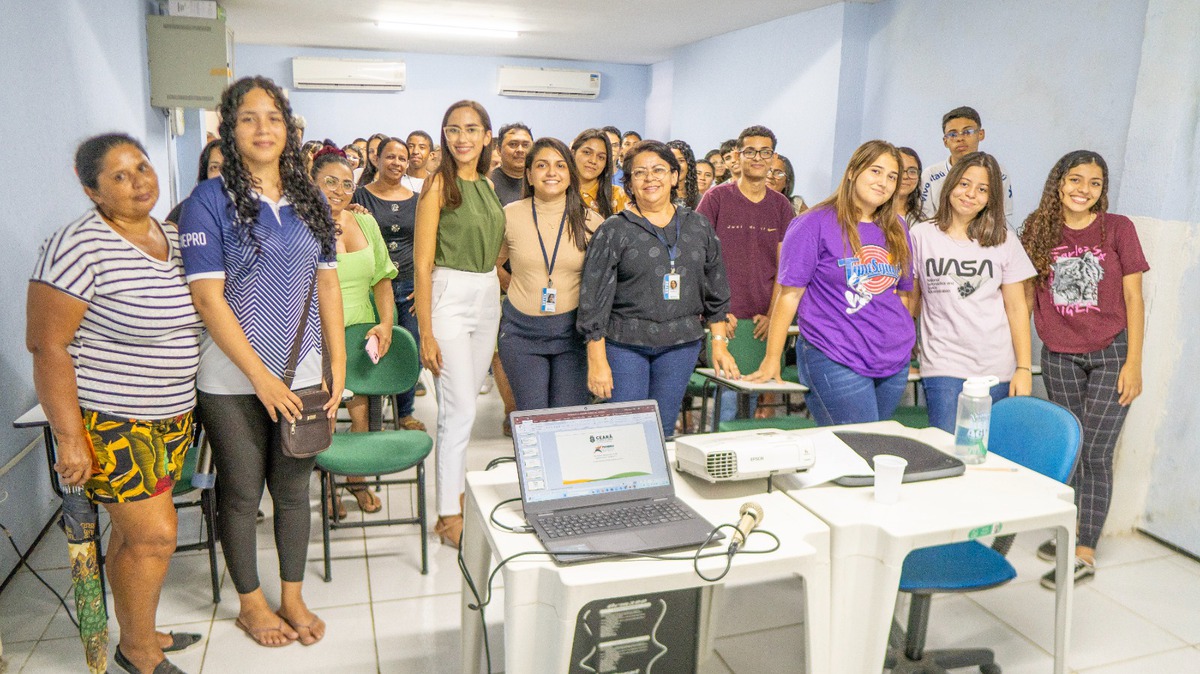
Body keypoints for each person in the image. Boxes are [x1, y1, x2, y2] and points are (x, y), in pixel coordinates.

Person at [179, 76, 345, 648]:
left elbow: (327, 284)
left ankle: (292, 597)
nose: (262, 129)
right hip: (230, 380)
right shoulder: (208, 200)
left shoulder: (311, 198)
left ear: (289, 127)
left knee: (295, 489)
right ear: (230, 128)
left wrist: (338, 363)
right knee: (243, 492)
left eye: (272, 117)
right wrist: (260, 378)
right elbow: (208, 298)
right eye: (248, 118)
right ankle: (251, 604)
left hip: (300, 372)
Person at [28, 134, 203, 674]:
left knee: (133, 537)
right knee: (155, 536)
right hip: (112, 420)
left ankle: (138, 630)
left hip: (172, 417)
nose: (139, 182)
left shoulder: (173, 235)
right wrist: (68, 436)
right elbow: (46, 345)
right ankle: (139, 652)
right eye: (120, 176)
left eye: (143, 168)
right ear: (91, 190)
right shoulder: (78, 245)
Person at [1021, 150, 1148, 589]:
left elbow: (1134, 298)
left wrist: (1134, 362)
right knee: (1071, 448)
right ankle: (1069, 530)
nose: (1083, 190)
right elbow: (1021, 293)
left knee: (1095, 452)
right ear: (1059, 182)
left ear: (1103, 189)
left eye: (1094, 183)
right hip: (1058, 354)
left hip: (1112, 352)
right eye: (1075, 179)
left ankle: (1084, 551)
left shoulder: (1118, 228)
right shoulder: (1038, 228)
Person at [746, 140, 915, 426]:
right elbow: (789, 296)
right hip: (835, 353)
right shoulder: (814, 223)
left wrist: (900, 337)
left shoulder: (897, 228)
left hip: (892, 360)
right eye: (875, 171)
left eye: (892, 176)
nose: (883, 182)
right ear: (852, 171)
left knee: (873, 446)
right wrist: (772, 358)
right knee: (858, 446)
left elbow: (903, 293)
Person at [578, 140, 737, 438]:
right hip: (624, 344)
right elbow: (593, 299)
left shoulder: (698, 227)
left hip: (681, 344)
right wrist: (597, 360)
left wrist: (719, 344)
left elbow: (716, 286)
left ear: (675, 176)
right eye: (639, 173)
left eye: (659, 170)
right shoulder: (614, 230)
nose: (650, 178)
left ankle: (657, 486)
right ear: (629, 183)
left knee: (661, 431)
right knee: (626, 431)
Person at [413, 100, 505, 548]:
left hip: (487, 294)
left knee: (466, 403)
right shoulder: (437, 184)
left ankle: (455, 496)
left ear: (488, 136)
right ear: (444, 136)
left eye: (472, 129)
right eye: (453, 130)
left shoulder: (487, 186)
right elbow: (422, 260)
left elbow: (496, 247)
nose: (462, 138)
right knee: (459, 409)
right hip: (448, 294)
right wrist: (426, 331)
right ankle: (448, 513)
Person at [909, 152, 1035, 433]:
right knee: (947, 449)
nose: (970, 194)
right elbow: (912, 301)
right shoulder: (920, 236)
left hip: (997, 367)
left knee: (986, 455)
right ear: (951, 184)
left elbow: (1016, 308)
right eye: (964, 184)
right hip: (943, 364)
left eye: (982, 189)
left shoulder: (1003, 239)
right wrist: (903, 352)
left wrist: (1024, 369)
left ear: (991, 198)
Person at [312, 148, 399, 516]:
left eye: (347, 183)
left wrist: (386, 322)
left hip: (363, 332)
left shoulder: (365, 222)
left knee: (362, 411)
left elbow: (382, 278)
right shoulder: (301, 223)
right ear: (311, 182)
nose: (339, 190)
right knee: (326, 412)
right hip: (317, 335)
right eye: (329, 181)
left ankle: (357, 479)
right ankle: (328, 483)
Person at [697, 126, 795, 425]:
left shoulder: (781, 207)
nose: (757, 158)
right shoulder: (716, 199)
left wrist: (772, 314)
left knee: (751, 396)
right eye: (750, 151)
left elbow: (785, 269)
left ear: (772, 157)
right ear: (737, 156)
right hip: (723, 318)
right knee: (727, 401)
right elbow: (698, 260)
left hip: (760, 322)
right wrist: (716, 312)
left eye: (764, 152)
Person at [497, 138, 602, 411]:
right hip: (521, 333)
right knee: (533, 417)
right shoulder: (510, 215)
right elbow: (490, 264)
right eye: (542, 165)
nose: (551, 172)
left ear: (570, 174)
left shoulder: (592, 221)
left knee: (567, 420)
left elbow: (601, 285)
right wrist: (515, 287)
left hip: (573, 334)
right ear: (529, 175)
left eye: (560, 165)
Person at [351, 137, 426, 432]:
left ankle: (405, 411)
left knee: (411, 347)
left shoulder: (417, 200)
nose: (396, 163)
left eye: (402, 158)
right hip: (371, 285)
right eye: (390, 157)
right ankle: (371, 416)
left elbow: (424, 244)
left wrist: (423, 285)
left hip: (408, 283)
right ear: (377, 160)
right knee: (370, 346)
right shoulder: (358, 197)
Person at [919, 106, 1013, 220]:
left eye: (967, 132)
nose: (960, 138)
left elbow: (1003, 218)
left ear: (981, 134)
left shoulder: (999, 173)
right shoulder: (930, 175)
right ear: (945, 141)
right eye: (953, 134)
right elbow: (924, 219)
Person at [572, 129, 628, 218]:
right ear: (573, 153)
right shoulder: (558, 191)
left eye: (601, 157)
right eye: (587, 152)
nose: (593, 161)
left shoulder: (617, 196)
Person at [166, 138, 223, 224]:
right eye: (214, 167)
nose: (221, 174)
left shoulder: (248, 211)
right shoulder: (185, 211)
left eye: (229, 166)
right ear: (205, 173)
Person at [490, 123, 533, 206]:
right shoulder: (488, 183)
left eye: (525, 145)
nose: (520, 150)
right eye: (513, 144)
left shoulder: (540, 181)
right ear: (499, 150)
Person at [667, 140, 699, 209]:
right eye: (672, 160)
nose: (677, 165)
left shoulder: (699, 199)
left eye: (681, 161)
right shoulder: (657, 196)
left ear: (689, 164)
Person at [896, 146, 923, 226]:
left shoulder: (924, 218)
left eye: (912, 171)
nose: (904, 176)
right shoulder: (873, 214)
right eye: (899, 170)